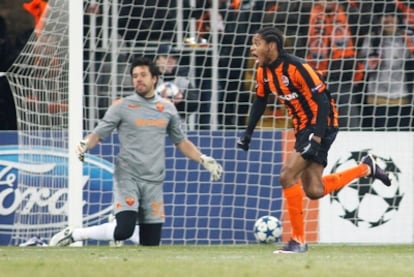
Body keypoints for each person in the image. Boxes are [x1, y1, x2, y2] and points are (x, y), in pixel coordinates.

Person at [237, 26, 391, 253]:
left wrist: (317, 137)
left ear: (271, 46)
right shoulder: (263, 72)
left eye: (256, 44)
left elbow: (323, 101)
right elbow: (260, 102)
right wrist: (248, 133)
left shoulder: (298, 67)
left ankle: (298, 241)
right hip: (302, 128)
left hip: (322, 123)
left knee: (287, 175)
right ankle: (365, 168)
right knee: (314, 190)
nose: (252, 49)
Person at [49, 57, 223, 247]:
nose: (138, 79)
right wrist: (84, 143)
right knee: (124, 231)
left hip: (154, 181)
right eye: (134, 76)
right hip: (128, 177)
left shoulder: (167, 108)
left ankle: (115, 223)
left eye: (143, 75)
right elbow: (98, 134)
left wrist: (203, 159)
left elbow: (180, 142)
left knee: (151, 244)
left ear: (154, 78)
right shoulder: (122, 106)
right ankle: (75, 234)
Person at [306, 0, 364, 130]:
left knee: (350, 125)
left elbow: (364, 29)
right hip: (317, 80)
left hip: (344, 79)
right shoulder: (305, 11)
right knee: (320, 125)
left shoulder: (350, 10)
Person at [359, 6, 414, 131]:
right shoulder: (372, 38)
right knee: (379, 135)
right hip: (377, 96)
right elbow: (361, 67)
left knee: (401, 135)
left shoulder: (408, 37)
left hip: (403, 96)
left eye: (392, 16)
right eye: (385, 16)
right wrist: (371, 62)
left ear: (398, 19)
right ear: (379, 19)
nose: (389, 19)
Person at [155, 44, 199, 127]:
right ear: (157, 60)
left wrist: (178, 101)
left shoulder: (182, 81)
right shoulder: (149, 80)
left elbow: (193, 104)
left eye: (173, 58)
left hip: (177, 129)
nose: (170, 61)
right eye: (165, 57)